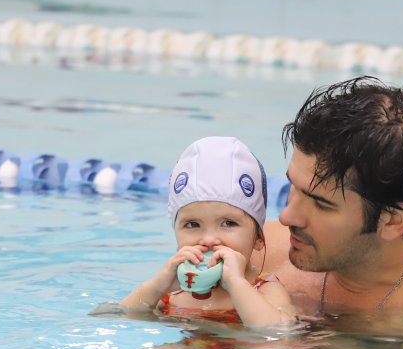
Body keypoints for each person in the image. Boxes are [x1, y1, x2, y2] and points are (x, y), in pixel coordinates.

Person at [262, 77, 403, 323]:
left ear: (392, 221)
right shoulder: (258, 255)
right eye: (294, 186)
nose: (286, 216)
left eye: (321, 204)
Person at [123, 136, 296, 328]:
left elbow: (279, 330)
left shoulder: (265, 288)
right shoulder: (173, 291)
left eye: (228, 223)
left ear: (258, 239)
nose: (208, 239)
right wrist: (156, 287)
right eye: (192, 224)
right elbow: (116, 315)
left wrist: (236, 283)